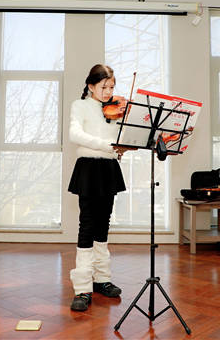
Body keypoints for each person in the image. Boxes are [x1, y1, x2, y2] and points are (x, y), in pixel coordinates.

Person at [67, 64, 134, 311]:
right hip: (88, 168)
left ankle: (101, 279)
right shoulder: (80, 105)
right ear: (91, 86)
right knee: (87, 225)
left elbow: (120, 140)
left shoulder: (115, 110)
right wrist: (108, 145)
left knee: (103, 224)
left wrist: (123, 142)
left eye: (112, 87)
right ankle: (82, 288)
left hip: (108, 168)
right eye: (104, 87)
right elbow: (75, 135)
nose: (108, 92)